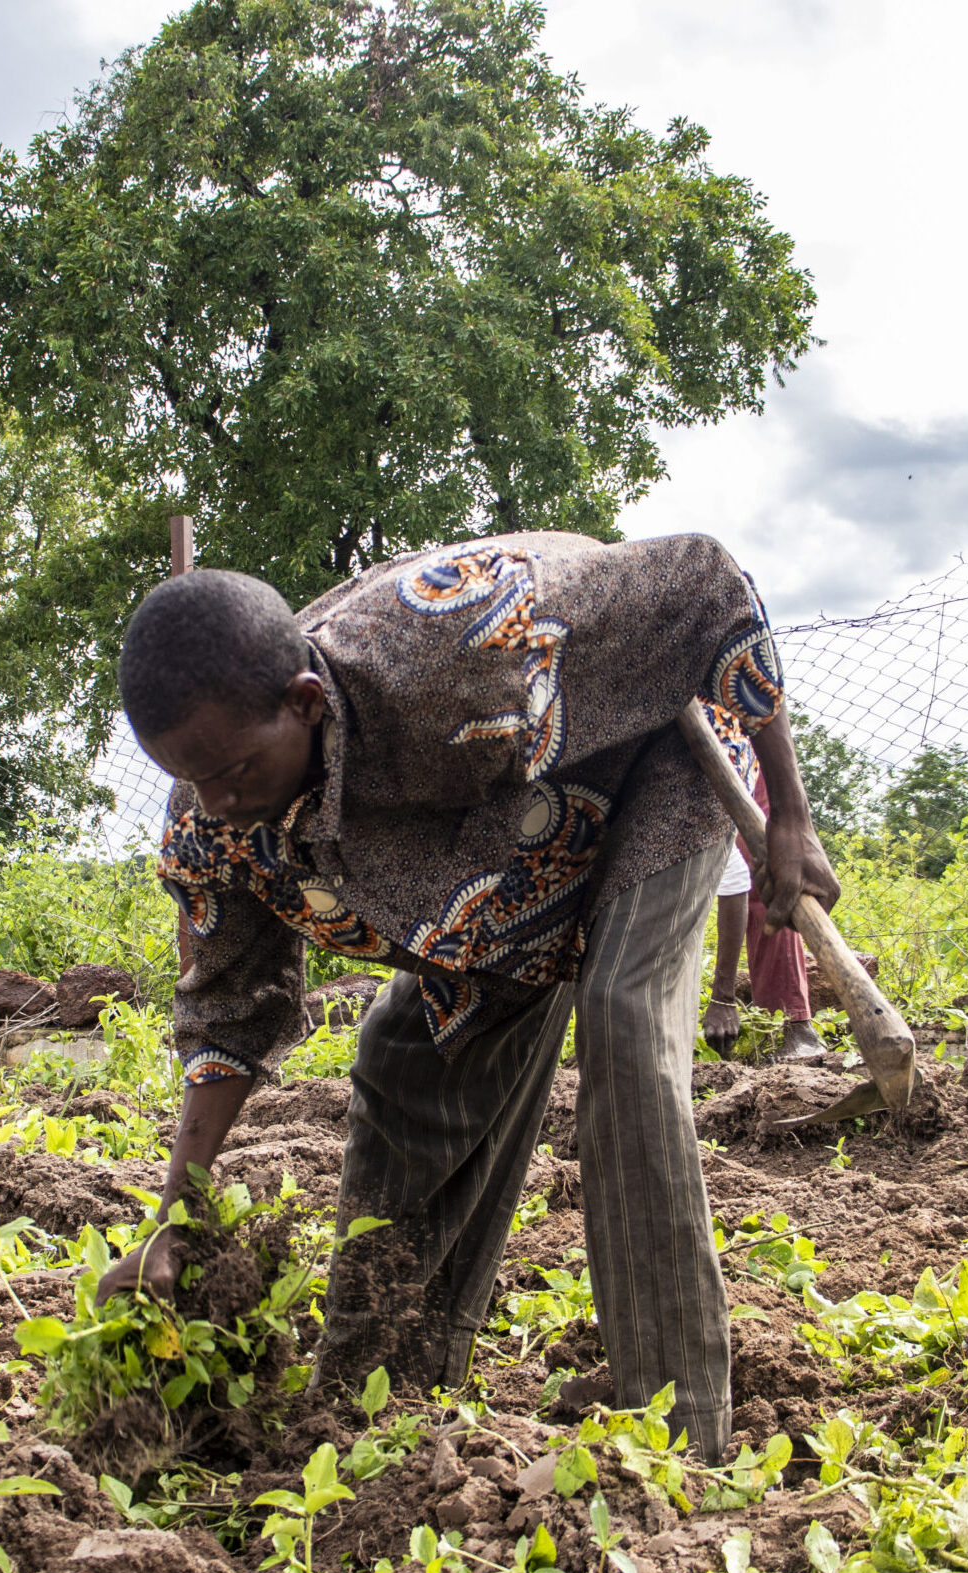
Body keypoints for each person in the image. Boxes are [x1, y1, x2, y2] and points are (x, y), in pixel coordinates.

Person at [98, 532, 838, 1461]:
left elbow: (704, 579)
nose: (212, 804)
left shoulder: (461, 637)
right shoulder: (218, 827)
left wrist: (792, 816)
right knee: (404, 1058)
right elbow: (227, 1015)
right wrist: (176, 1212)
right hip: (508, 869)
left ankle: (682, 1433)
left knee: (622, 1022)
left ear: (305, 703)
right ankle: (387, 1392)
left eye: (233, 772)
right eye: (187, 781)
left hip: (654, 761)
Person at [702, 770, 829, 1063]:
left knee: (769, 882)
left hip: (743, 746)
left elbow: (736, 877)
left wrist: (723, 996)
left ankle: (792, 1027)